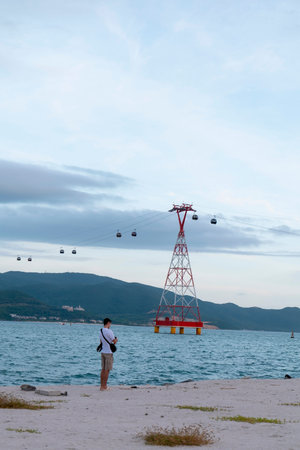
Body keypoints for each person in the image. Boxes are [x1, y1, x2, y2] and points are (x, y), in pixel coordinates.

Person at [99, 318, 118, 391]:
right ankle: (105, 386)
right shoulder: (109, 331)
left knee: (103, 369)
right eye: (110, 323)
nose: (110, 325)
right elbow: (114, 341)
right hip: (108, 352)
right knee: (107, 370)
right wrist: (116, 339)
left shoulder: (101, 331)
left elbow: (101, 341)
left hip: (103, 351)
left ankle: (101, 386)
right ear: (108, 323)